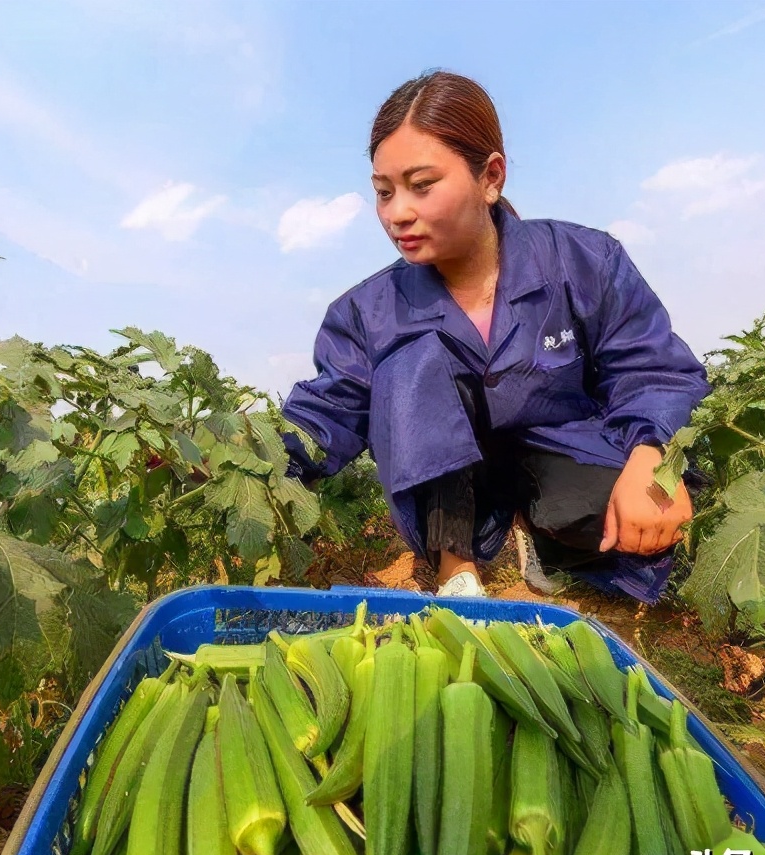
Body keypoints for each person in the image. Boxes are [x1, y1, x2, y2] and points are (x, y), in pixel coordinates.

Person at [279, 70, 710, 603]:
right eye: (384, 192)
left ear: (491, 177)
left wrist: (650, 457)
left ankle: (551, 540)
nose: (397, 214)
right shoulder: (366, 311)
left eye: (422, 185)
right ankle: (455, 570)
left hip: (561, 450)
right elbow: (328, 413)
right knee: (411, 361)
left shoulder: (583, 261)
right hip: (454, 478)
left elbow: (654, 369)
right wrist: (246, 457)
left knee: (599, 512)